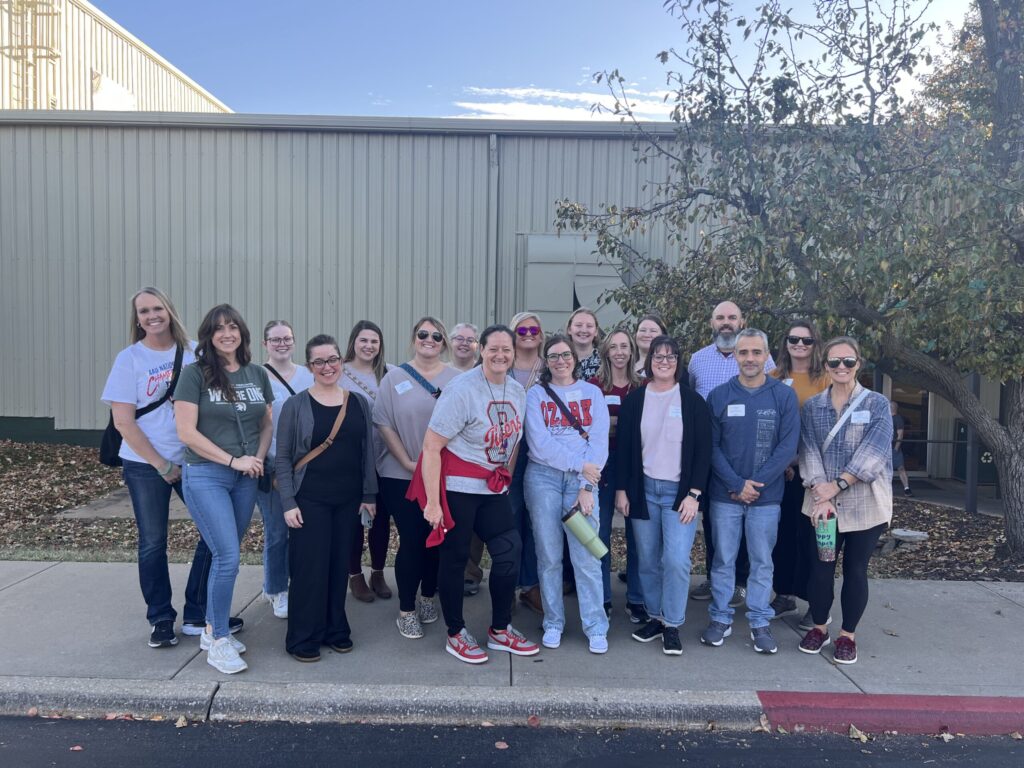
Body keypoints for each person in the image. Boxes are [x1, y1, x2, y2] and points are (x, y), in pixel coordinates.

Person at [409, 324, 540, 664]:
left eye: (506, 350)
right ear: (482, 350)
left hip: (492, 488)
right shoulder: (462, 390)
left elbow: (513, 441)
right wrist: (434, 505)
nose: (500, 355)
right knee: (455, 560)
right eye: (493, 348)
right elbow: (432, 446)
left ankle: (499, 629)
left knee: (509, 549)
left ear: (513, 354)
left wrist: (505, 475)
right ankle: (456, 632)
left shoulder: (516, 391)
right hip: (457, 487)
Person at [101, 287, 211, 649]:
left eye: (157, 308)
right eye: (144, 311)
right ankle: (161, 618)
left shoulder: (195, 352)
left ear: (170, 310)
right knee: (152, 543)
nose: (152, 315)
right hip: (146, 465)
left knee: (214, 536)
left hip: (194, 459)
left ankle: (197, 612)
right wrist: (161, 463)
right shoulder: (129, 358)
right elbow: (124, 422)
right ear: (137, 319)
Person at [175, 304, 274, 674]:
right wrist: (233, 461)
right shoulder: (195, 374)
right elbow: (186, 432)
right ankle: (216, 639)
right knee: (227, 556)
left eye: (233, 327)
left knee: (227, 557)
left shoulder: (255, 374)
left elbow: (266, 424)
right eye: (219, 329)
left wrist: (257, 458)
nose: (226, 333)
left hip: (245, 478)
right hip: (206, 475)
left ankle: (213, 627)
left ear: (242, 334)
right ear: (209, 336)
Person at [275, 335, 378, 662]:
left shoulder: (359, 403)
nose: (327, 366)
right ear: (310, 367)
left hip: (347, 501)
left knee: (338, 566)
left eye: (332, 359)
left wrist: (368, 494)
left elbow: (367, 453)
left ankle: (336, 629)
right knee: (309, 569)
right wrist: (288, 502)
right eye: (319, 361)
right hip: (309, 500)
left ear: (341, 362)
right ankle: (303, 637)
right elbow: (283, 458)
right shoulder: (296, 405)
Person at [700, 329, 799, 655]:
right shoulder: (719, 395)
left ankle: (759, 622)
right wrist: (735, 484)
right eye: (744, 353)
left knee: (761, 562)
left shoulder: (782, 396)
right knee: (724, 560)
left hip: (766, 499)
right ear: (736, 356)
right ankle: (720, 617)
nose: (750, 359)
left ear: (766, 355)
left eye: (756, 352)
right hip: (724, 497)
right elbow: (711, 447)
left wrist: (755, 484)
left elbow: (787, 447)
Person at [798, 336, 893, 665]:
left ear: (859, 364)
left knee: (855, 569)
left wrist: (836, 485)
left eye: (848, 361)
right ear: (825, 366)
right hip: (822, 505)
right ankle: (820, 627)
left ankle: (847, 635)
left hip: (865, 505)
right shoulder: (812, 407)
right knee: (821, 568)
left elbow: (876, 452)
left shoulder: (876, 404)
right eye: (834, 362)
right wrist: (819, 490)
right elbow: (808, 450)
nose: (841, 367)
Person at [616, 335, 712, 655]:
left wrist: (694, 494)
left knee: (675, 560)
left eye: (670, 357)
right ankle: (655, 618)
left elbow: (703, 452)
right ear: (648, 362)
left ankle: (672, 624)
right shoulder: (634, 401)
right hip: (643, 490)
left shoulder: (693, 402)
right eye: (658, 356)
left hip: (679, 494)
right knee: (647, 561)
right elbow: (624, 452)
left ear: (678, 362)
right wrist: (622, 490)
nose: (664, 362)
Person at [374, 317, 460, 639]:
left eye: (436, 335)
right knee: (412, 540)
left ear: (444, 342)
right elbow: (383, 424)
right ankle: (406, 609)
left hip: (444, 476)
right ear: (413, 339)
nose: (429, 339)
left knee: (437, 539)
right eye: (423, 334)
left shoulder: (457, 378)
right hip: (402, 475)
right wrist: (408, 462)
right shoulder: (393, 378)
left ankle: (428, 596)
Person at [525, 334, 610, 653]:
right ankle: (553, 622)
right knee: (548, 556)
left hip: (583, 483)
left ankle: (595, 625)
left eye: (566, 355)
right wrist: (581, 466)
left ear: (575, 358)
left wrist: (587, 484)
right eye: (554, 356)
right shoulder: (536, 395)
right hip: (543, 479)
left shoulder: (592, 392)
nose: (560, 361)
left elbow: (599, 442)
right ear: (546, 361)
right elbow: (540, 444)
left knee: (586, 555)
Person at [687, 300, 775, 604]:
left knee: (751, 523)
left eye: (732, 317)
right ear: (712, 323)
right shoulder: (697, 360)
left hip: (751, 455)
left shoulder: (766, 360)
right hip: (711, 455)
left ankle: (742, 583)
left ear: (742, 321)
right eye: (720, 318)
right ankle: (715, 579)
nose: (726, 322)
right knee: (714, 521)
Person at [769, 321, 829, 624]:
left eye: (806, 340)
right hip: (783, 472)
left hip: (816, 473)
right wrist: (783, 464)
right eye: (794, 339)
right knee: (783, 535)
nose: (800, 345)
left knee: (811, 538)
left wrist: (797, 463)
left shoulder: (827, 379)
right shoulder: (774, 378)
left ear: (815, 344)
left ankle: (814, 603)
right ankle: (784, 595)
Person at [255, 320, 314, 620]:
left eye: (287, 338)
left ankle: (299, 582)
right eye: (275, 339)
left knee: (304, 530)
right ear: (265, 343)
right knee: (277, 530)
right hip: (272, 464)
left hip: (306, 464)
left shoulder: (307, 374)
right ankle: (276, 588)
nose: (282, 344)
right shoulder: (255, 375)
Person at [588, 327, 644, 621]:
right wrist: (622, 424)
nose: (620, 352)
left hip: (636, 468)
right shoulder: (594, 386)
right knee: (601, 534)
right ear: (606, 351)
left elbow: (646, 428)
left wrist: (611, 424)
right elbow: (588, 428)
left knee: (638, 535)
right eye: (614, 347)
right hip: (602, 467)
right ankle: (603, 597)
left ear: (632, 350)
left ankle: (635, 598)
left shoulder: (643, 386)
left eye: (625, 346)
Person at [340, 320, 393, 603]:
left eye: (374, 341)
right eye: (363, 340)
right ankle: (355, 576)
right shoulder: (339, 372)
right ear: (353, 342)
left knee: (381, 519)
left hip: (385, 458)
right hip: (351, 459)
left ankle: (378, 572)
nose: (369, 346)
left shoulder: (390, 373)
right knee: (354, 521)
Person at [504, 311, 545, 613]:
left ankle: (530, 585)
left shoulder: (551, 366)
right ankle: (507, 583)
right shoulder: (500, 364)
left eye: (533, 329)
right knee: (508, 520)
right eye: (522, 330)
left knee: (536, 522)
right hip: (506, 452)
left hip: (542, 454)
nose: (528, 334)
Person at [566, 307, 603, 380]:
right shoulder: (560, 359)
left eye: (589, 326)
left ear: (596, 331)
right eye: (578, 325)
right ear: (569, 329)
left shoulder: (605, 361)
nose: (584, 330)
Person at [891, 401, 913, 497]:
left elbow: (900, 434)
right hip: (884, 449)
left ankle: (906, 488)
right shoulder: (885, 418)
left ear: (893, 407)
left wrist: (896, 448)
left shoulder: (898, 419)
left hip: (894, 448)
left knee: (900, 468)